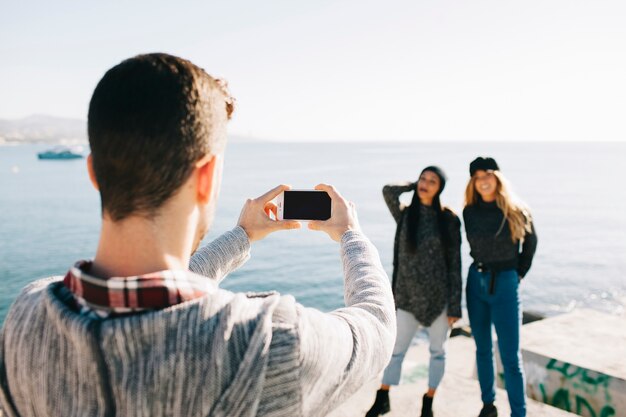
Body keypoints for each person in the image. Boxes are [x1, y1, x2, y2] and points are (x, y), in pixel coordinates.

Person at [0, 53, 396, 417]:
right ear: (205, 177)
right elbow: (376, 326)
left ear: (94, 173)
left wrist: (243, 236)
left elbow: (154, 295)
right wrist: (350, 234)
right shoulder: (267, 344)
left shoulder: (25, 320)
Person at [365, 166, 462, 417]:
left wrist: (454, 306)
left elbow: (455, 263)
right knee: (394, 351)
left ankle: (428, 402)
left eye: (433, 181)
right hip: (407, 298)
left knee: (438, 354)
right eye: (423, 179)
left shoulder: (449, 219)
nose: (426, 184)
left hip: (439, 299)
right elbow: (388, 191)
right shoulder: (407, 215)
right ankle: (383, 397)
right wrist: (411, 186)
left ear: (440, 188)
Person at [463, 157, 538, 417]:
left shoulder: (516, 210)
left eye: (488, 175)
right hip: (475, 282)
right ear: (473, 181)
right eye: (478, 177)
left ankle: (519, 413)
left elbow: (531, 243)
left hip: (506, 283)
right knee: (482, 349)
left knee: (510, 357)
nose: (483, 181)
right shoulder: (469, 211)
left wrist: (518, 274)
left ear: (497, 178)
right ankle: (488, 406)